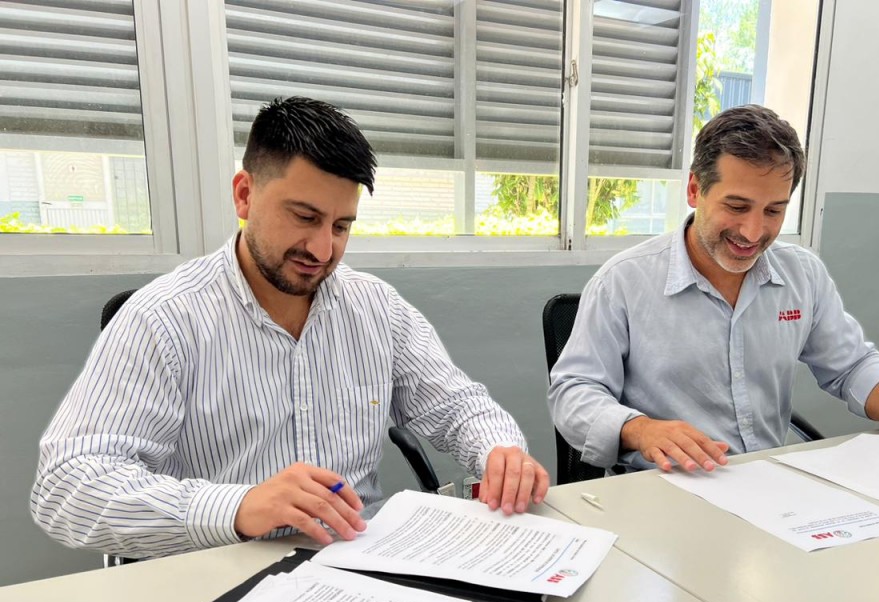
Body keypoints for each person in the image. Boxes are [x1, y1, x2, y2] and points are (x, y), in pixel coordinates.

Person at [32, 96, 549, 559]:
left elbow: (456, 406)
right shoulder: (163, 319)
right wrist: (238, 506)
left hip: (358, 561)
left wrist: (498, 451)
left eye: (341, 226)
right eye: (304, 217)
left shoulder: (376, 308)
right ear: (244, 195)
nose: (323, 250)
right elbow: (65, 488)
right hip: (222, 567)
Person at [548, 104, 879, 474]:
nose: (753, 232)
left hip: (771, 482)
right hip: (666, 485)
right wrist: (639, 429)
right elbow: (574, 392)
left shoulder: (802, 274)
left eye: (774, 211)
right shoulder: (623, 281)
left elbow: (851, 365)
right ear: (695, 189)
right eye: (737, 206)